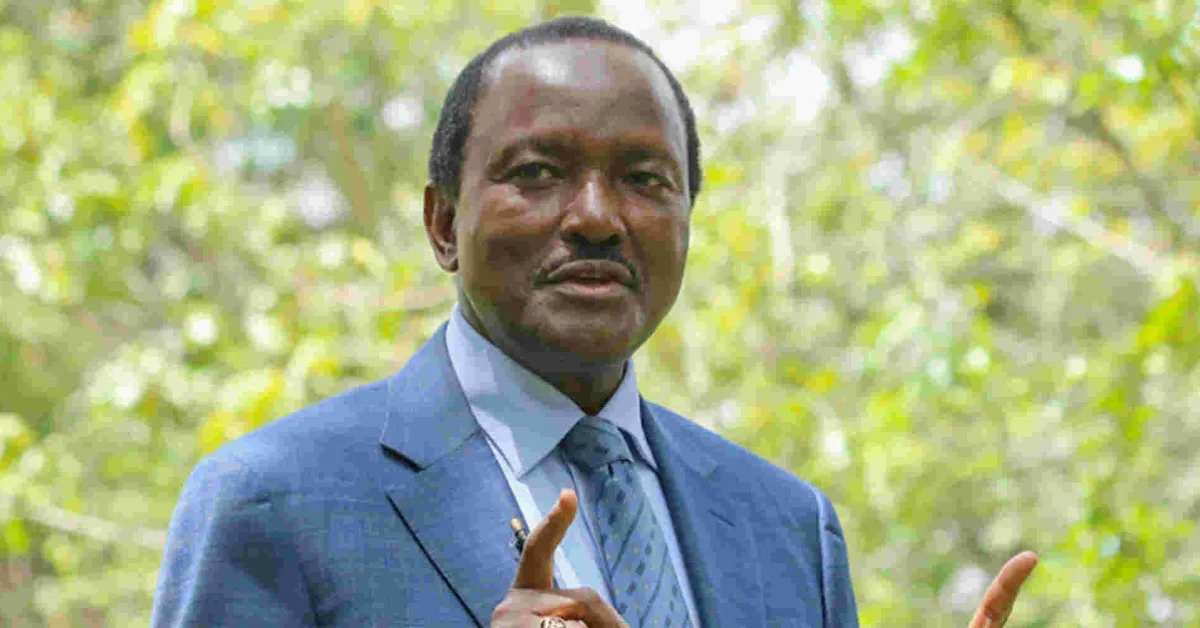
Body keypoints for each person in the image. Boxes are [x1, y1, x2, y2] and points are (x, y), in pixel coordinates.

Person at [152, 16, 1036, 627]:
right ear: (443, 223)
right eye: (538, 173)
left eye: (645, 180)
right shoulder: (274, 502)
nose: (597, 218)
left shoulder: (789, 529)